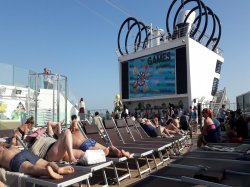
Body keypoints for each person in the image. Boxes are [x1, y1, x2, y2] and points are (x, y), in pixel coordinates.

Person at [0, 144, 74, 180]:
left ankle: (46, 172)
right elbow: (13, 141)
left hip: (15, 159)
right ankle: (58, 169)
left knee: (31, 168)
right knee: (47, 163)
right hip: (24, 152)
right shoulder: (8, 147)